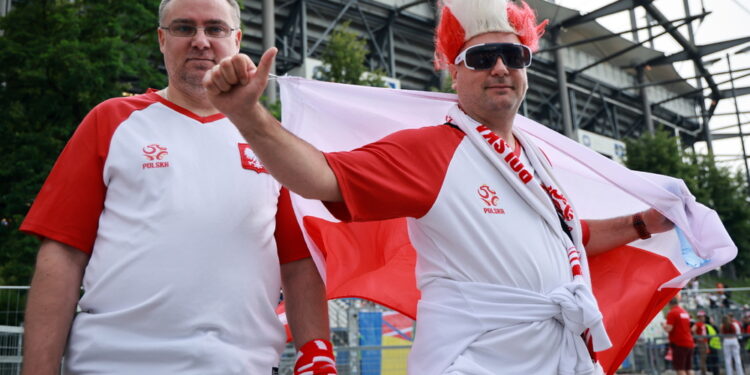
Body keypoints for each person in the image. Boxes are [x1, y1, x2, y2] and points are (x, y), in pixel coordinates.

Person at [201, 0, 675, 372]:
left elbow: (569, 239)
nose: (499, 67)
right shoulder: (432, 151)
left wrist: (641, 223)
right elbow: (320, 177)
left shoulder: (536, 160)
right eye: (481, 57)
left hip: (556, 357)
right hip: (475, 364)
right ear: (454, 69)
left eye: (514, 55)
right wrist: (249, 115)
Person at [19, 0, 336, 374]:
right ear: (161, 39)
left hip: (238, 365)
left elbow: (299, 264)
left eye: (215, 29)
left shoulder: (274, 143)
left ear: (237, 39)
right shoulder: (112, 121)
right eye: (184, 28)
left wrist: (317, 354)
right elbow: (62, 254)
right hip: (113, 363)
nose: (200, 41)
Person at [663, 298, 695, 375]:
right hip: (689, 342)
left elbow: (669, 328)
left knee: (680, 369)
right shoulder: (684, 312)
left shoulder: (672, 313)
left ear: (669, 304)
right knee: (688, 368)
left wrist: (663, 325)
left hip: (679, 343)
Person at [694, 311, 710, 375]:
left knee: (704, 358)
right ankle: (703, 372)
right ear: (699, 317)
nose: (704, 318)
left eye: (704, 316)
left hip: (704, 342)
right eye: (702, 316)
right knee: (703, 358)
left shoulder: (702, 324)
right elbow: (692, 330)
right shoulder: (698, 323)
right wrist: (698, 338)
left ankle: (704, 372)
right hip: (701, 342)